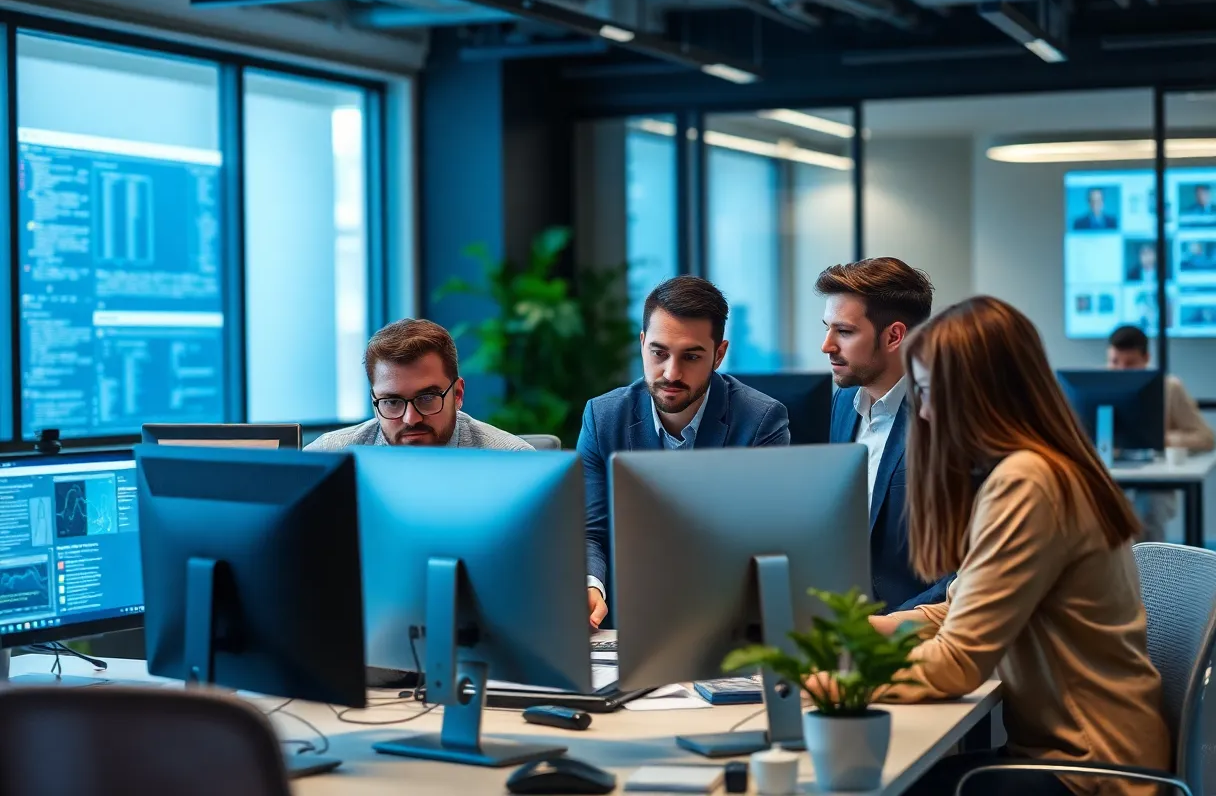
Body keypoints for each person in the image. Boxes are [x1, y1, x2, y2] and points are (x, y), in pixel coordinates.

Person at [872, 296, 1169, 796]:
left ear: (973, 393)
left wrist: (827, 684)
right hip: (1070, 756)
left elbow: (957, 662)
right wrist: (855, 634)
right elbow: (956, 612)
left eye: (925, 392)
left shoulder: (1029, 482)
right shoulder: (1035, 469)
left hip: (1091, 771)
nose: (920, 413)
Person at [578, 276, 790, 628]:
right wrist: (591, 585)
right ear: (642, 344)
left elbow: (767, 539)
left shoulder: (760, 421)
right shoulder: (603, 417)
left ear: (719, 354)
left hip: (725, 621)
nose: (671, 373)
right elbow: (591, 532)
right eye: (659, 353)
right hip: (627, 623)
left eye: (691, 356)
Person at [818, 258, 950, 613]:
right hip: (854, 631)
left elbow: (973, 566)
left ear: (893, 335)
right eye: (827, 328)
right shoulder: (844, 402)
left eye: (844, 332)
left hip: (923, 636)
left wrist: (895, 628)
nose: (826, 345)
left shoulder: (947, 415)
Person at [307, 318, 534, 452]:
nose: (411, 419)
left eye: (427, 398)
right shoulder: (329, 456)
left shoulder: (513, 460)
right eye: (392, 402)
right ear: (375, 403)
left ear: (457, 394)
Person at [1107, 325, 1214, 541]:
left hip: (1155, 480)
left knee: (1147, 510)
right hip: (1110, 475)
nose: (1121, 371)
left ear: (1146, 358)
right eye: (1115, 362)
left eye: (1130, 364)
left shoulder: (1170, 388)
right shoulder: (1095, 384)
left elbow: (1206, 438)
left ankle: (1150, 572)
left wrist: (1158, 438)